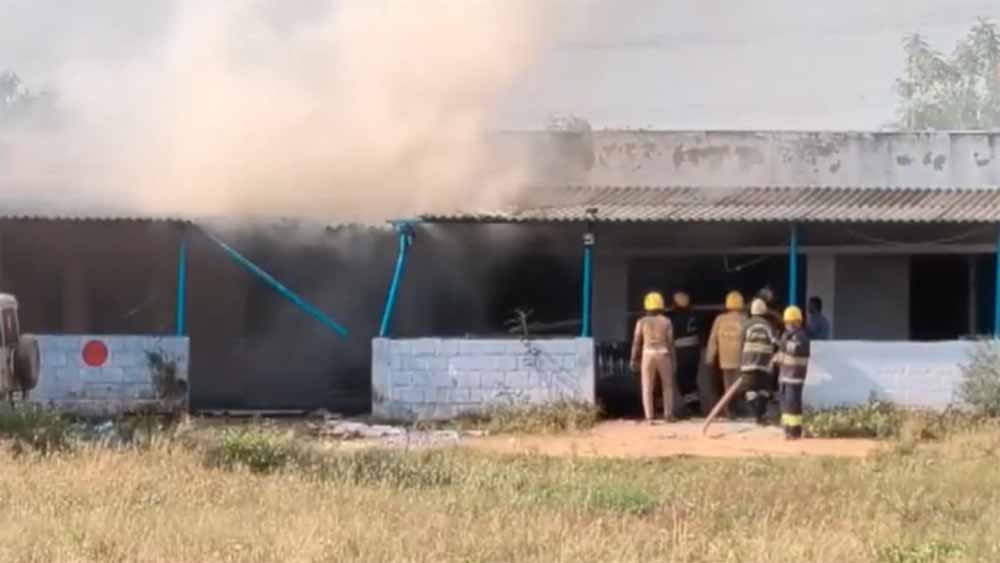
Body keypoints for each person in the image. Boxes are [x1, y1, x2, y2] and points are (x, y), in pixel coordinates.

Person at [630, 291, 679, 423]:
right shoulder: (666, 321)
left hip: (647, 354)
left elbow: (636, 342)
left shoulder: (641, 321)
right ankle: (668, 414)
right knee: (667, 385)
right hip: (663, 353)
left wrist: (633, 358)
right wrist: (674, 360)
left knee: (647, 386)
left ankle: (649, 417)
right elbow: (670, 342)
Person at [705, 291, 747, 418]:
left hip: (725, 359)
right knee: (738, 385)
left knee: (728, 385)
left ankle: (728, 410)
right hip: (740, 358)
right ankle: (734, 408)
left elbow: (713, 339)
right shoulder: (744, 319)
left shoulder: (719, 319)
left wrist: (710, 356)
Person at [739, 299, 778, 425]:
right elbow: (775, 343)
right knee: (764, 390)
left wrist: (741, 361)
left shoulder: (747, 325)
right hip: (764, 365)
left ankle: (758, 415)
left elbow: (741, 343)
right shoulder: (768, 325)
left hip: (748, 364)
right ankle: (761, 415)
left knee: (749, 391)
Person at [775, 305, 811, 440]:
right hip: (784, 377)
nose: (788, 325)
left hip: (795, 378)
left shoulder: (801, 337)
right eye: (787, 322)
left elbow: (796, 350)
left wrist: (783, 343)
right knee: (785, 405)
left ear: (798, 322)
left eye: (791, 322)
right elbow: (781, 354)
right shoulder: (786, 336)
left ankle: (795, 431)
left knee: (793, 406)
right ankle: (787, 429)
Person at [668, 291, 701, 417]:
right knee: (691, 379)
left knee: (683, 380)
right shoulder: (694, 315)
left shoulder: (674, 317)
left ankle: (692, 408)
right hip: (695, 350)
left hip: (682, 351)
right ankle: (694, 406)